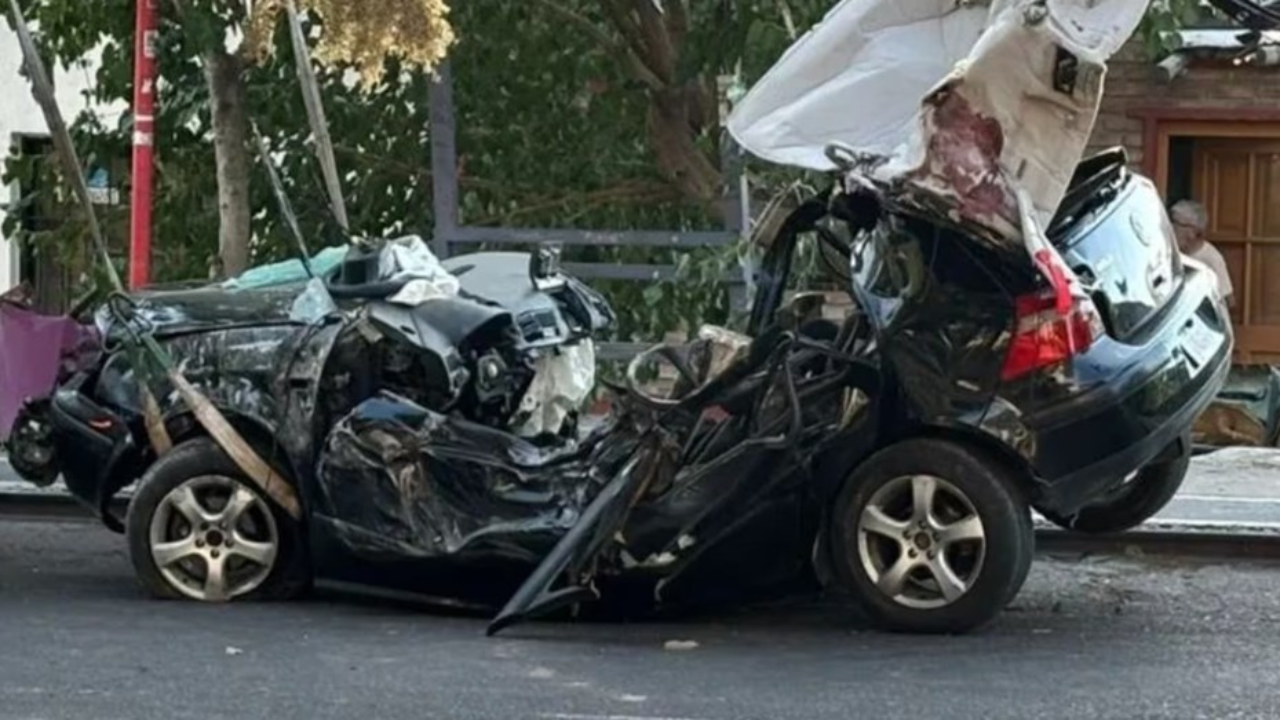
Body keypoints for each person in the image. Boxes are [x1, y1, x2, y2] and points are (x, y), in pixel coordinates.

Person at [1170, 199, 1234, 307]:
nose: (1170, 228)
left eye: (1176, 223)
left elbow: (1227, 300)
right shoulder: (1168, 251)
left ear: (1192, 231)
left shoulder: (1212, 258)